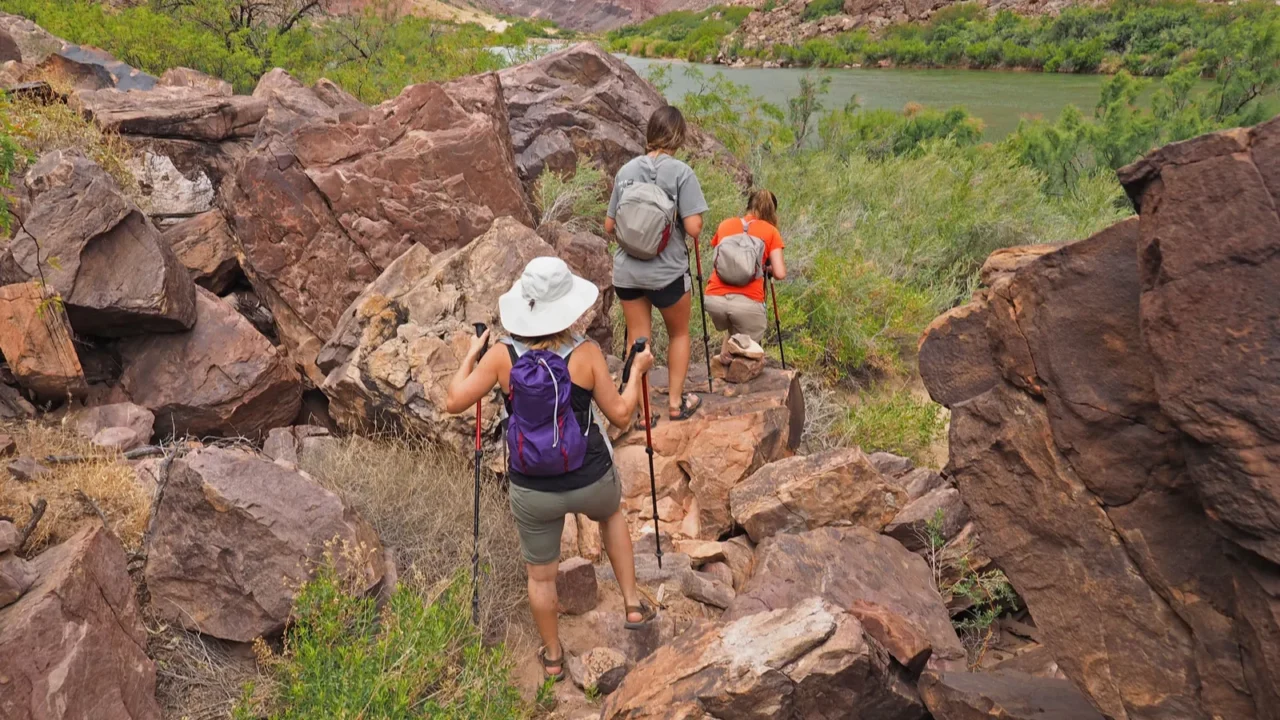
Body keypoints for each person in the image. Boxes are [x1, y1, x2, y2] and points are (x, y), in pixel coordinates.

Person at [445, 256, 657, 683]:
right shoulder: (586, 353)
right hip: (590, 476)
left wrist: (472, 354)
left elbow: (453, 401)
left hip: (532, 487)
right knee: (611, 516)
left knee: (540, 576)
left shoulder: (502, 357)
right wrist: (637, 372)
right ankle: (633, 604)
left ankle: (554, 656)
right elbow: (620, 416)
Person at [605, 105, 709, 421]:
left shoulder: (626, 172)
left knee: (639, 341)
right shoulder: (681, 173)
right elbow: (692, 229)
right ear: (678, 137)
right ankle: (676, 405)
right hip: (667, 274)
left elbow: (609, 227)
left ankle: (640, 412)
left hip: (628, 273)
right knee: (679, 334)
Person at [704, 189, 787, 363]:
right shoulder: (771, 232)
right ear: (772, 211)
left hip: (714, 299)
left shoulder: (726, 225)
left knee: (734, 327)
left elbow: (719, 258)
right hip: (748, 303)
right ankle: (737, 374)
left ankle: (722, 362)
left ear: (748, 206)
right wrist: (766, 267)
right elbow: (780, 273)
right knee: (747, 351)